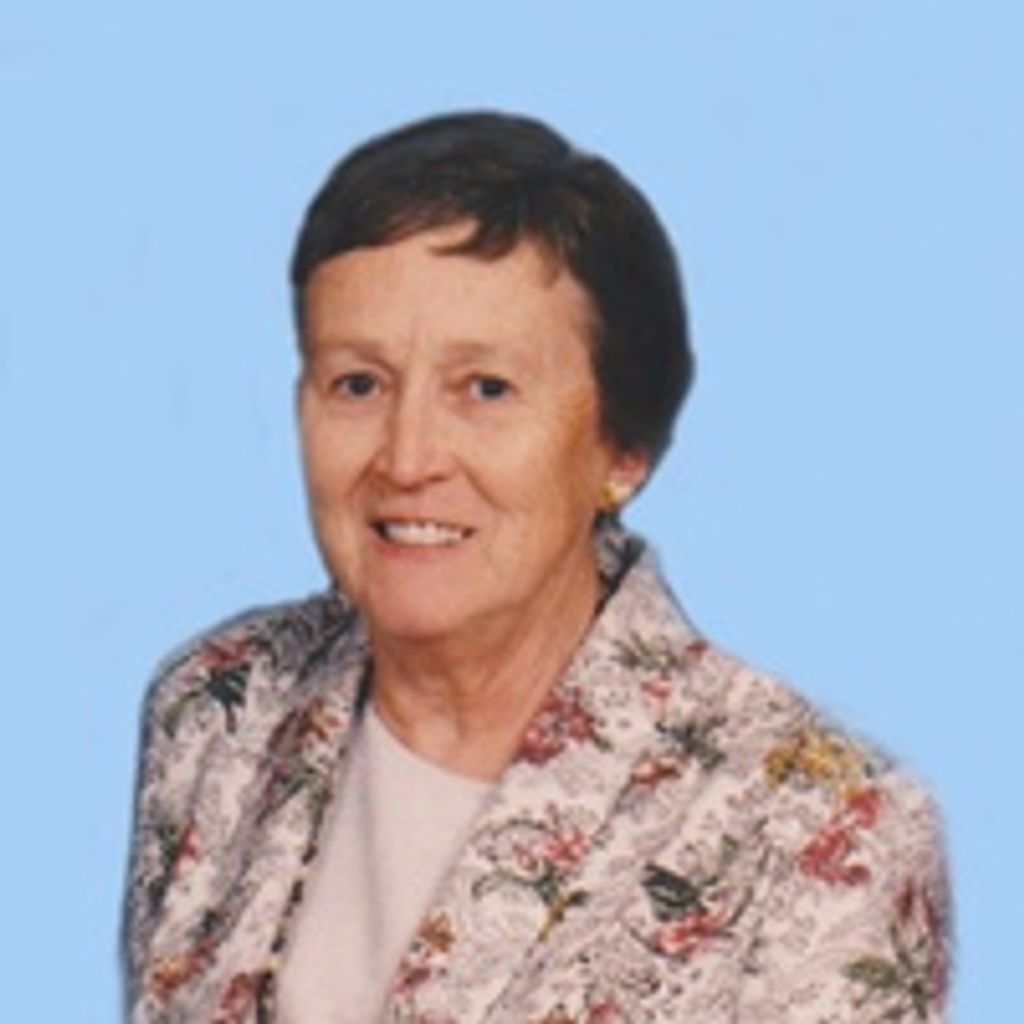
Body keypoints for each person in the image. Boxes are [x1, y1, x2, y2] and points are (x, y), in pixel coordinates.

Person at [122, 111, 950, 1023]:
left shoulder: (821, 829)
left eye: (486, 389)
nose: (407, 458)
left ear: (622, 450)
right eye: (359, 383)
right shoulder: (220, 707)